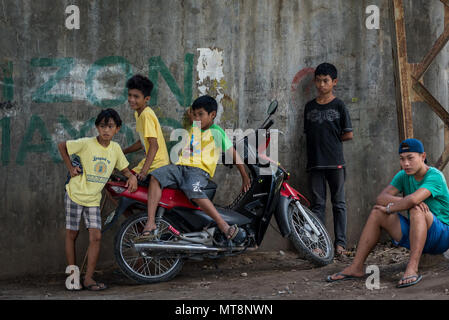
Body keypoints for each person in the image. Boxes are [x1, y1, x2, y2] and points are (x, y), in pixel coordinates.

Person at [327, 138, 449, 288]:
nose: (406, 164)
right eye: (402, 159)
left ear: (423, 156)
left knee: (416, 209)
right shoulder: (403, 175)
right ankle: (356, 267)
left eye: (410, 158)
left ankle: (412, 268)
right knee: (377, 212)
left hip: (441, 236)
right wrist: (408, 200)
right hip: (416, 232)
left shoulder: (434, 176)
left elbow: (410, 202)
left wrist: (395, 206)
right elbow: (381, 198)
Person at [137, 95, 251, 241]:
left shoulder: (217, 132)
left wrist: (244, 176)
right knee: (155, 176)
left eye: (201, 114)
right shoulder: (195, 127)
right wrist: (195, 114)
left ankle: (223, 225)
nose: (197, 118)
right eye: (195, 114)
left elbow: (233, 154)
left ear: (213, 115)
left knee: (194, 190)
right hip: (179, 168)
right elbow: (191, 114)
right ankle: (151, 222)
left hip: (198, 172)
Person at [58, 109, 137, 291]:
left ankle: (88, 278)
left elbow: (124, 169)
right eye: (102, 126)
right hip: (75, 194)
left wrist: (131, 177)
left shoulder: (115, 149)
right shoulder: (86, 144)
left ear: (117, 129)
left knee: (96, 237)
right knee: (72, 234)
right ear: (97, 127)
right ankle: (73, 276)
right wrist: (70, 168)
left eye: (110, 127)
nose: (106, 130)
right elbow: (63, 146)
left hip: (93, 198)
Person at [303, 62, 353, 256]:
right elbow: (308, 133)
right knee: (318, 205)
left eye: (326, 81)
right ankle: (320, 244)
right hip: (315, 163)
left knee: (339, 203)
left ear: (334, 82)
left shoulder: (339, 105)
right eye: (318, 81)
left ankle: (340, 244)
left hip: (335, 163)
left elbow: (348, 134)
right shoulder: (309, 107)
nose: (322, 85)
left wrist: (331, 141)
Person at [122, 74, 170, 180]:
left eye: (136, 96)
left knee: (129, 181)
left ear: (146, 99)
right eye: (130, 95)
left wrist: (143, 172)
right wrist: (122, 151)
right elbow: (142, 142)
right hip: (151, 161)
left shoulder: (146, 115)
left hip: (157, 164)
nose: (131, 99)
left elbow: (154, 146)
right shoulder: (138, 113)